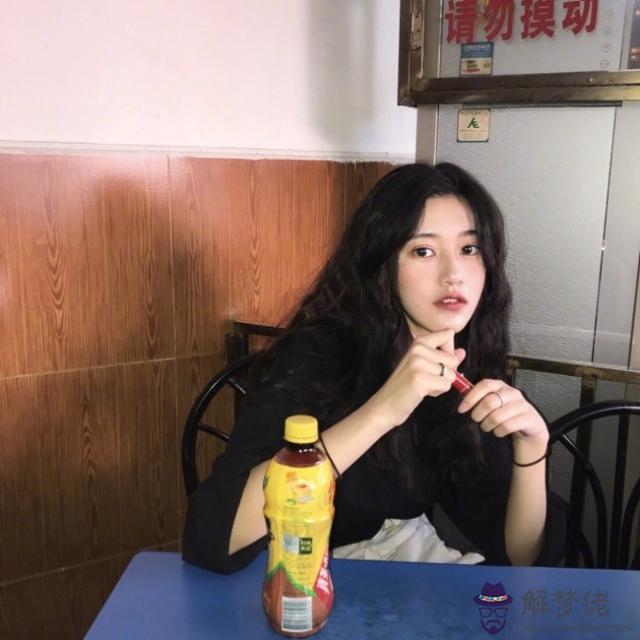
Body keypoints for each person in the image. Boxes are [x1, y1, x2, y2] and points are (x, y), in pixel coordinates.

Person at [182, 162, 566, 574]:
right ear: (381, 265)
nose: (453, 274)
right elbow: (215, 537)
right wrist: (384, 409)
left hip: (394, 582)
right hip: (301, 579)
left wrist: (532, 449)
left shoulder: (459, 364)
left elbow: (521, 556)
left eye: (469, 249)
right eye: (423, 251)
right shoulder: (316, 355)